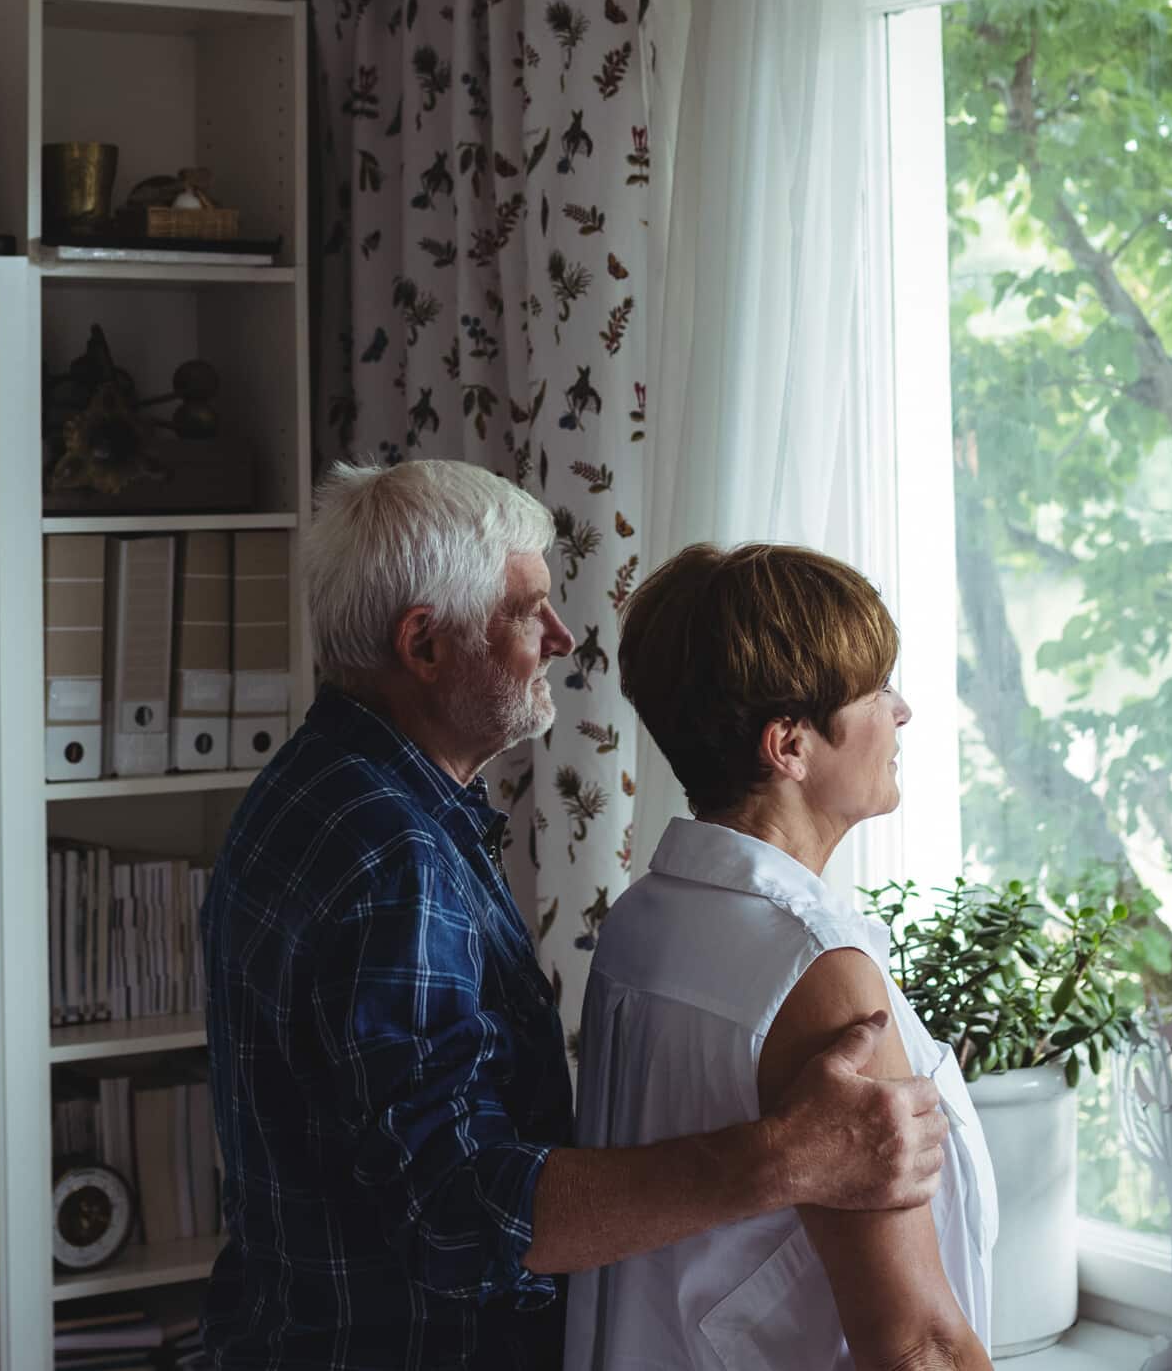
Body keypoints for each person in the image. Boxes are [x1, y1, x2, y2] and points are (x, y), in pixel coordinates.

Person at [199, 462, 950, 1370]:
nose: (560, 636)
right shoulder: (393, 856)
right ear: (425, 646)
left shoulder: (314, 789)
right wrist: (787, 1158)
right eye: (526, 611)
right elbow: (455, 1209)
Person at [566, 543, 998, 1371]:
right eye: (875, 690)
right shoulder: (816, 968)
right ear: (790, 747)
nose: (900, 710)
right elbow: (918, 1344)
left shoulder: (642, 920)